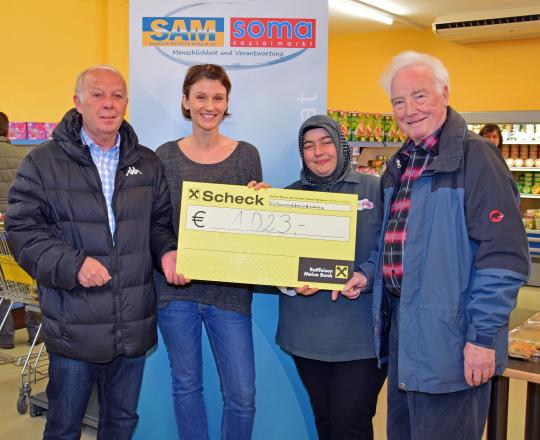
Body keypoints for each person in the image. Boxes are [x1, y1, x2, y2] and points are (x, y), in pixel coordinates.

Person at [340, 51, 529, 440]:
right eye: (398, 101)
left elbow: (503, 258)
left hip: (454, 339)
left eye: (420, 96)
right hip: (405, 335)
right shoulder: (401, 164)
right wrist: (369, 273)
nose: (409, 109)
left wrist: (481, 337)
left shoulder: (477, 159)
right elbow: (395, 241)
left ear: (445, 93)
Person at [5, 65, 182, 440]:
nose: (108, 104)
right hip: (74, 324)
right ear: (77, 102)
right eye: (98, 95)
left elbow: (158, 226)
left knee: (120, 423)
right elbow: (22, 231)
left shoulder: (146, 163)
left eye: (117, 96)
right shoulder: (42, 162)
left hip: (132, 323)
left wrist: (167, 251)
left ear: (126, 104)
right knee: (65, 426)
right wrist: (73, 265)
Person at [154, 64, 262, 440]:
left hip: (229, 294)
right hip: (177, 292)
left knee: (242, 397)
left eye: (218, 97)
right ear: (186, 101)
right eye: (200, 96)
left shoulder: (246, 155)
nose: (209, 105)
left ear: (227, 102)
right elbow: (157, 222)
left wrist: (262, 206)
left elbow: (253, 229)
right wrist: (168, 254)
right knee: (186, 387)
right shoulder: (163, 156)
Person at [275, 115, 386, 440]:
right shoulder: (289, 196)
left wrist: (365, 275)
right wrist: (290, 282)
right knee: (325, 419)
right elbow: (274, 257)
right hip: (307, 335)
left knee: (350, 421)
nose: (318, 152)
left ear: (341, 145)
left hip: (362, 336)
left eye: (326, 142)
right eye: (309, 146)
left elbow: (393, 246)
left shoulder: (375, 188)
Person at [0, 111, 40, 349]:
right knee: (28, 280)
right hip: (19, 228)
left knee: (3, 284)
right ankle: (36, 331)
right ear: (7, 130)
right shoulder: (25, 156)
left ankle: (5, 337)